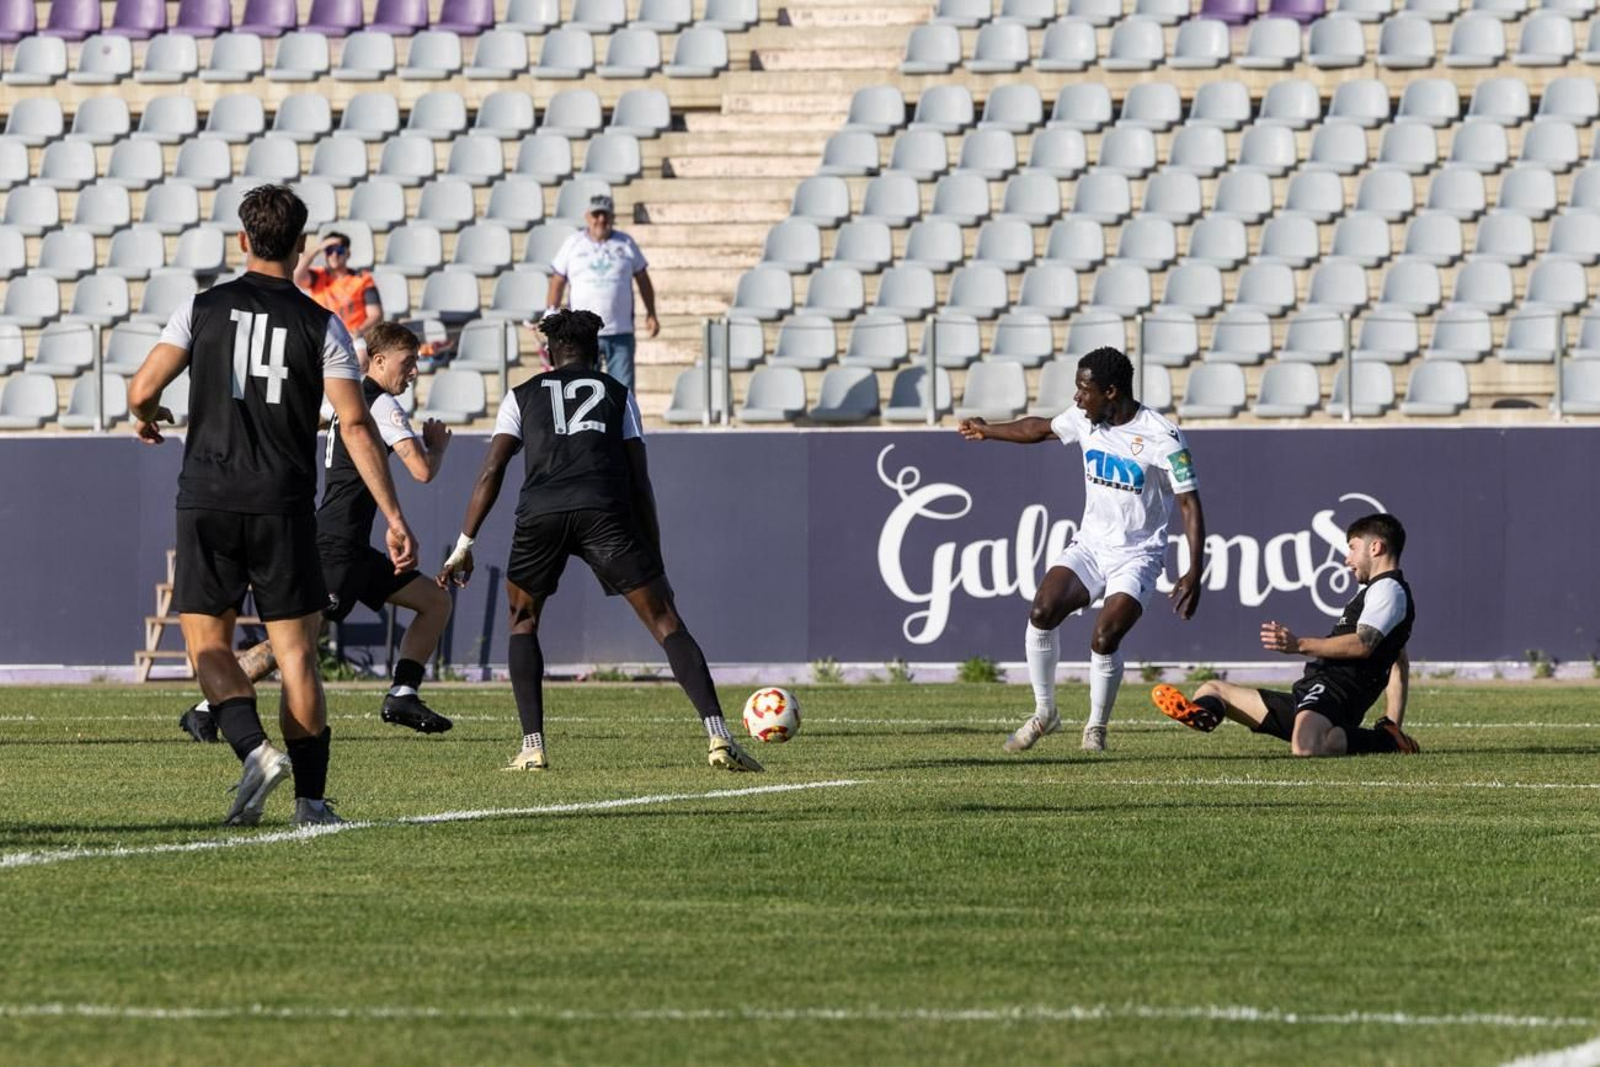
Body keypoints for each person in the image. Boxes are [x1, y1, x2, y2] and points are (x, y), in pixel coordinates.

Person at [128, 184, 417, 829]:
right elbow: (355, 423)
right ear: (299, 246)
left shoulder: (202, 307)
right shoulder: (323, 323)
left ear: (242, 240)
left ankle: (254, 751)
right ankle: (311, 804)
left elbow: (142, 389)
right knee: (296, 655)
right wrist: (394, 517)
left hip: (207, 496)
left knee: (207, 642)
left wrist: (150, 417)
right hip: (283, 503)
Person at [435, 309, 762, 774]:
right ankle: (719, 736)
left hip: (540, 513)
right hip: (602, 512)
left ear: (548, 354)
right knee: (665, 619)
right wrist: (654, 556)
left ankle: (532, 747)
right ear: (598, 352)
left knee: (523, 621)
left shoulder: (521, 395)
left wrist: (464, 544)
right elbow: (639, 480)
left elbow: (492, 470)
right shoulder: (618, 393)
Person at [178, 321, 456, 744]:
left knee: (434, 601)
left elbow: (314, 422)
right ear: (379, 361)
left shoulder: (343, 401)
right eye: (408, 361)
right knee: (296, 639)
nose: (414, 370)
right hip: (337, 545)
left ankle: (402, 693)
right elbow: (421, 470)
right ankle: (206, 707)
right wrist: (436, 445)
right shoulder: (378, 405)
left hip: (350, 544)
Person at [958, 347, 1206, 754]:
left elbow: (1189, 505)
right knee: (1042, 610)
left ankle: (1095, 728)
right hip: (1091, 545)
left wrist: (1194, 570)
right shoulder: (1085, 419)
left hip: (1138, 555)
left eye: (1083, 389)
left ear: (1110, 391)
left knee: (1105, 637)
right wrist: (988, 430)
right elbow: (1037, 429)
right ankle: (1045, 713)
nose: (1076, 398)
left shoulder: (1163, 437)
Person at [1152, 513, 1420, 757]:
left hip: (1336, 693)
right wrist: (1393, 723)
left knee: (1307, 747)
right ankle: (1205, 714)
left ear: (1376, 547)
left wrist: (1298, 644)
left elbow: (1363, 644)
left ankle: (1383, 743)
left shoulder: (1388, 589)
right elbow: (1399, 661)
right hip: (1314, 692)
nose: (1347, 559)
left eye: (1352, 548)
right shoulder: (1379, 592)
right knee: (1212, 689)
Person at [545, 195, 658, 393]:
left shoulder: (626, 243)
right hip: (583, 332)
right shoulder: (573, 243)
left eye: (605, 215)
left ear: (612, 217)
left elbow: (643, 279)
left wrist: (651, 313)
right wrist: (551, 312)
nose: (601, 220)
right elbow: (557, 281)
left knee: (623, 390)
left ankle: (622, 425)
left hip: (619, 330)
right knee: (583, 386)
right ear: (588, 217)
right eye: (596, 215)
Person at [293, 231, 383, 356]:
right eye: (329, 250)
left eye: (339, 250)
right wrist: (319, 247)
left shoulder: (363, 279)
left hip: (352, 339)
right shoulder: (318, 276)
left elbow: (375, 314)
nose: (334, 255)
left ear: (348, 253)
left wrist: (358, 331)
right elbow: (296, 276)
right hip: (322, 338)